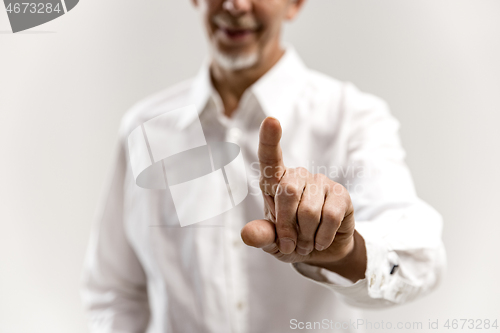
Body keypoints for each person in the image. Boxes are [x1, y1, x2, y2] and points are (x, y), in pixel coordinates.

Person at [81, 0, 446, 332]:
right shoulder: (145, 130)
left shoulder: (351, 118)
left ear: (295, 4)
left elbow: (420, 259)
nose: (235, 5)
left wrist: (345, 253)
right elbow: (113, 291)